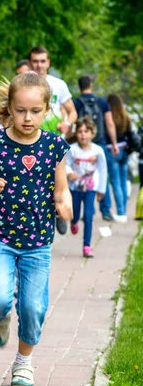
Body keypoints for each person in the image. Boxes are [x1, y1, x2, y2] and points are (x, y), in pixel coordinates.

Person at [0, 72, 72, 386]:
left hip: (37, 242)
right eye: (20, 110)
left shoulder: (54, 146)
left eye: (35, 111)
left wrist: (65, 204)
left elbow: (61, 189)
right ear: (10, 107)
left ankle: (23, 363)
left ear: (47, 110)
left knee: (33, 307)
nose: (27, 117)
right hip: (0, 238)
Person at [28, 46, 76, 236]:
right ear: (30, 63)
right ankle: (40, 215)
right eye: (35, 61)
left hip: (54, 141)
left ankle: (58, 210)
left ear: (48, 63)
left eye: (42, 61)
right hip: (30, 140)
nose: (39, 65)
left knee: (57, 178)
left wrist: (67, 124)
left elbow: (72, 112)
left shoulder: (59, 85)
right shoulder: (26, 85)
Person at [73, 77, 119, 221]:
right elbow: (110, 124)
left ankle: (85, 210)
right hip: (100, 143)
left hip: (82, 145)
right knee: (101, 174)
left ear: (80, 87)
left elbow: (74, 125)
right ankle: (105, 211)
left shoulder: (76, 103)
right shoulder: (102, 102)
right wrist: (114, 143)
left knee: (81, 174)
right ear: (91, 85)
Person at [66, 116, 107, 257]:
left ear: (92, 133)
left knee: (89, 216)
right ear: (76, 134)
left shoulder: (98, 151)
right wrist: (69, 173)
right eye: (80, 131)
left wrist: (102, 190)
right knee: (75, 212)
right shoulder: (72, 149)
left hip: (90, 189)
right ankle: (74, 221)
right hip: (75, 188)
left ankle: (87, 246)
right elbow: (65, 164)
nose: (83, 134)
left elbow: (103, 170)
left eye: (86, 131)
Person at [104, 93, 135, 223]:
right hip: (125, 151)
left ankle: (121, 212)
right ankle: (123, 211)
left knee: (115, 183)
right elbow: (130, 134)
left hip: (112, 150)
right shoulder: (125, 118)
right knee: (123, 182)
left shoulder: (109, 118)